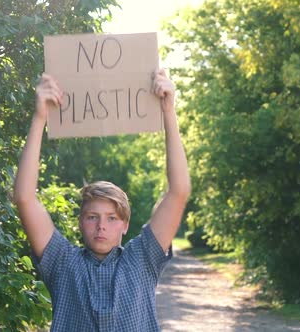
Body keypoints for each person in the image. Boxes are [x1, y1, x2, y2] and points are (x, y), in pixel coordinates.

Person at [13, 69, 190, 331]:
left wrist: (168, 112)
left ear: (125, 224)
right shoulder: (63, 262)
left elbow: (179, 191)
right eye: (92, 217)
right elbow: (24, 198)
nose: (101, 227)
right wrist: (40, 117)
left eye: (112, 218)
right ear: (80, 222)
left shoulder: (142, 258)